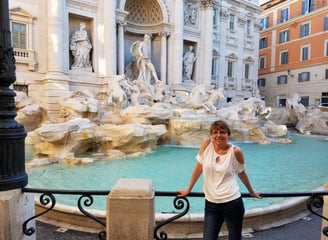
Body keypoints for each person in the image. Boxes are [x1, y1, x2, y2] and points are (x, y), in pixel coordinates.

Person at [177, 120, 261, 240]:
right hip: (211, 204)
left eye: (222, 132)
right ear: (211, 135)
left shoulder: (236, 151)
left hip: (232, 202)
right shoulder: (206, 145)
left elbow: (242, 173)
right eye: (215, 132)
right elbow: (199, 168)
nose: (218, 135)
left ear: (228, 134)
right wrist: (188, 190)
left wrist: (252, 192)